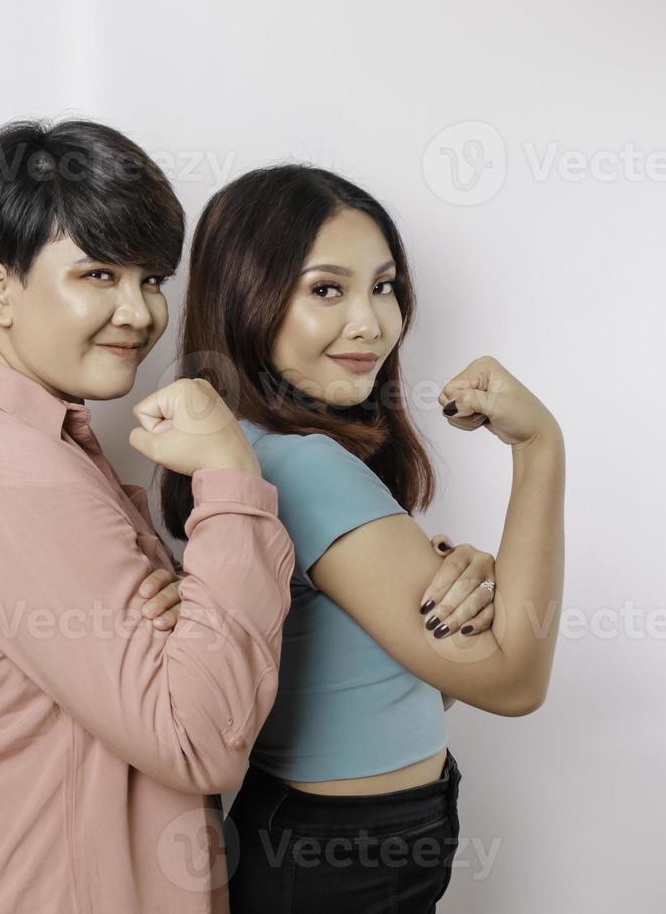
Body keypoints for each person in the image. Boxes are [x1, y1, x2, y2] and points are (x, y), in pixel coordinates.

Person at [0, 117, 284, 913]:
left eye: (151, 279)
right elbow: (197, 736)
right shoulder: (12, 478)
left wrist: (192, 613)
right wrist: (233, 477)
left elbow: (184, 683)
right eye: (98, 275)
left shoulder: (14, 444)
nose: (138, 312)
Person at [159, 165, 565, 912]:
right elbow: (513, 682)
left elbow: (418, 682)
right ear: (248, 296)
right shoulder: (306, 468)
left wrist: (471, 589)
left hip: (349, 840)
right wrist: (539, 447)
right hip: (337, 855)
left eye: (384, 286)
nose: (371, 323)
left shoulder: (264, 451)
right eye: (326, 289)